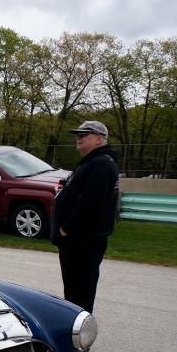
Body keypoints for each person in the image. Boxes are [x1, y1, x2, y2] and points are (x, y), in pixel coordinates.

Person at [50, 120, 120, 314]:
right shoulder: (92, 162)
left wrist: (66, 227)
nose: (78, 138)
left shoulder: (101, 163)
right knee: (74, 290)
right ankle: (74, 327)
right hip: (77, 240)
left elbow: (91, 203)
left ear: (99, 139)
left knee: (80, 292)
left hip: (83, 240)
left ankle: (80, 336)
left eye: (84, 135)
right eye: (77, 134)